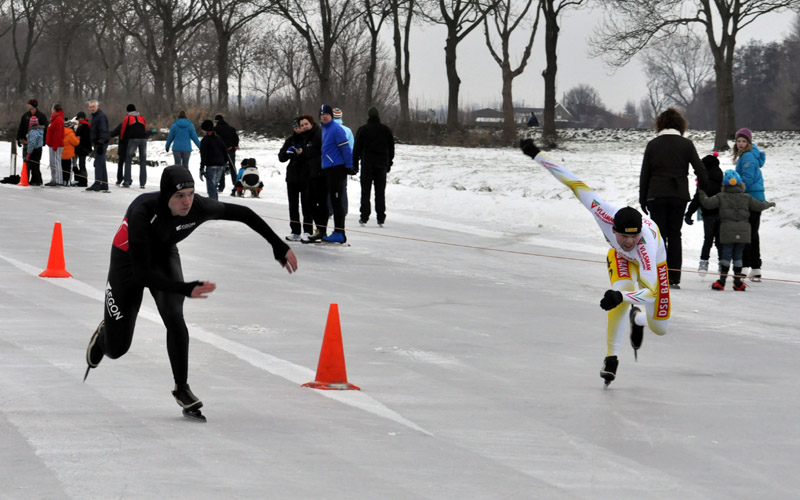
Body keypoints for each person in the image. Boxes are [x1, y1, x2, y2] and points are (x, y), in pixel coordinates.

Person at [83, 165, 298, 418]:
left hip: (163, 255)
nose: (186, 202)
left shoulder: (199, 207)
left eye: (190, 193)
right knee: (116, 349)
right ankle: (106, 332)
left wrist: (277, 245)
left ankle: (181, 387)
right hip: (128, 261)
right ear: (166, 197)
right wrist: (183, 288)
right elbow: (142, 274)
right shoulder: (143, 212)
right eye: (179, 196)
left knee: (174, 318)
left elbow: (245, 213)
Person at [521, 139, 671, 387]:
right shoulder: (601, 211)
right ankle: (611, 357)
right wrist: (536, 154)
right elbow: (572, 181)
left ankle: (638, 320)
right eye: (624, 236)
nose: (629, 242)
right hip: (619, 259)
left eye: (634, 236)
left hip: (654, 266)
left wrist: (623, 299)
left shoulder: (646, 245)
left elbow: (651, 290)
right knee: (619, 292)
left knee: (660, 327)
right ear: (613, 229)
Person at [639, 107, 708, 289]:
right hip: (678, 195)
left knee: (659, 236)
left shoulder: (653, 145)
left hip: (656, 194)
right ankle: (674, 277)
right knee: (675, 235)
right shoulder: (686, 144)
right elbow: (700, 169)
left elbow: (645, 174)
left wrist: (643, 198)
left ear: (660, 124)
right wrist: (706, 188)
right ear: (681, 125)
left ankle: (658, 275)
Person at [699, 169, 775, 291]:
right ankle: (738, 282)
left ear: (725, 185)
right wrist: (769, 204)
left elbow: (708, 204)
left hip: (727, 231)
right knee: (738, 255)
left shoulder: (721, 196)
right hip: (743, 232)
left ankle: (722, 282)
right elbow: (759, 206)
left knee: (726, 254)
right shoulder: (747, 197)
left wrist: (701, 193)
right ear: (740, 184)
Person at [732, 128, 767, 282]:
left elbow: (747, 179)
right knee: (753, 233)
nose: (740, 144)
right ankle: (756, 268)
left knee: (746, 233)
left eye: (743, 141)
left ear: (749, 142)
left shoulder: (747, 157)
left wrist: (733, 191)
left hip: (751, 198)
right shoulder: (749, 155)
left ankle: (745, 267)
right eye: (738, 141)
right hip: (755, 197)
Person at [353, 106, 395, 226]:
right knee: (380, 191)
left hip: (367, 164)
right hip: (381, 164)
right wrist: (389, 163)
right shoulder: (386, 130)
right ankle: (381, 217)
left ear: (369, 116)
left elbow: (357, 148)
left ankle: (364, 216)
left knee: (365, 191)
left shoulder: (363, 129)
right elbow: (391, 148)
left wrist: (355, 164)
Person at [317, 104, 353, 244]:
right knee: (333, 200)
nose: (324, 116)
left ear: (331, 115)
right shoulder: (325, 129)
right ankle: (337, 231)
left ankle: (339, 232)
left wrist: (349, 166)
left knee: (337, 202)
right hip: (329, 169)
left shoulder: (336, 129)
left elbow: (346, 148)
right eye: (322, 114)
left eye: (326, 114)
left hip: (337, 169)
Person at [684, 153, 723, 276]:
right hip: (722, 214)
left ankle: (703, 262)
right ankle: (723, 264)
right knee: (720, 241)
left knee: (708, 239)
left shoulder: (704, 180)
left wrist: (689, 213)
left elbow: (697, 198)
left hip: (708, 214)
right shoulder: (723, 179)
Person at [278, 117, 314, 241]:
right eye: (295, 127)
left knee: (306, 205)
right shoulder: (290, 140)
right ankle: (295, 230)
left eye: (299, 127)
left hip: (306, 176)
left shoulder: (308, 139)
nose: (298, 129)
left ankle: (308, 230)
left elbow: (311, 156)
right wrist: (287, 153)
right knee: (293, 205)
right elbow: (281, 157)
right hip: (292, 177)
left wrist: (302, 154)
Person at [297, 114, 327, 239]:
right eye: (302, 125)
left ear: (311, 123)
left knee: (320, 203)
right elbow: (308, 154)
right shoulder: (305, 137)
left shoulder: (318, 134)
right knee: (310, 202)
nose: (304, 127)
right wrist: (301, 153)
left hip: (319, 173)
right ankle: (319, 228)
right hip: (310, 173)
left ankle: (321, 229)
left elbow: (321, 152)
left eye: (306, 124)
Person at [198, 119, 228, 201]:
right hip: (220, 165)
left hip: (211, 165)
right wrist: (226, 163)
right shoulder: (219, 138)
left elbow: (203, 155)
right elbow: (225, 151)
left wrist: (201, 168)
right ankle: (215, 202)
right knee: (214, 187)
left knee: (211, 188)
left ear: (205, 129)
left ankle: (213, 205)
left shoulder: (205, 140)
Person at [121, 104, 149, 188]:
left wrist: (122, 139)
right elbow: (145, 129)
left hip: (133, 139)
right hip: (143, 139)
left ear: (128, 111)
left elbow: (123, 129)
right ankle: (142, 183)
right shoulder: (141, 117)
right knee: (143, 161)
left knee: (128, 159)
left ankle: (126, 181)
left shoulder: (127, 118)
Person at [332, 107, 354, 216]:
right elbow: (351, 148)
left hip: (329, 163)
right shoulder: (348, 130)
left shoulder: (326, 129)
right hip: (343, 163)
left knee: (329, 187)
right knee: (342, 187)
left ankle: (330, 210)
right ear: (341, 117)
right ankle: (343, 209)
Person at [86, 100, 111, 192]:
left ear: (97, 107)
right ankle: (104, 184)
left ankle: (98, 183)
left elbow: (103, 130)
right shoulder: (95, 116)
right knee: (101, 163)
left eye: (93, 106)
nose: (92, 108)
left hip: (101, 142)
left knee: (98, 163)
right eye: (90, 107)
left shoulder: (101, 116)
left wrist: (101, 142)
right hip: (98, 142)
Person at [16, 98, 49, 165]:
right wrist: (19, 138)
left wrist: (44, 141)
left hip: (37, 146)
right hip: (26, 143)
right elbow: (21, 128)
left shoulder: (42, 116)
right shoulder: (25, 116)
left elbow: (45, 129)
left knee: (35, 166)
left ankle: (36, 175)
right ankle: (26, 175)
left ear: (33, 105)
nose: (27, 105)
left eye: (28, 104)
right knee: (26, 164)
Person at [213, 114, 239, 195]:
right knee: (233, 168)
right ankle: (236, 185)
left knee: (221, 169)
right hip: (230, 150)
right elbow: (236, 139)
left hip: (220, 152)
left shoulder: (215, 130)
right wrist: (234, 147)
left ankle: (221, 187)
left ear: (217, 121)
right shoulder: (231, 129)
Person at [45, 104, 66, 186]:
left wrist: (55, 146)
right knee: (52, 162)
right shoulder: (54, 119)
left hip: (56, 145)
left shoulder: (58, 119)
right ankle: (53, 179)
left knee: (57, 162)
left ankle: (59, 180)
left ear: (54, 109)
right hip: (52, 144)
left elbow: (58, 134)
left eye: (52, 108)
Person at [25, 116, 46, 186]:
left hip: (34, 150)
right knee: (36, 165)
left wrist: (28, 153)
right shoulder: (40, 130)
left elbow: (32, 143)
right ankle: (35, 180)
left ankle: (37, 180)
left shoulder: (33, 131)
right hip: (39, 149)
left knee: (33, 166)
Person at [73, 111, 92, 187]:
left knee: (82, 165)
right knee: (81, 164)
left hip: (83, 148)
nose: (78, 120)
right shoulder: (83, 125)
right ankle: (80, 180)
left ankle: (83, 181)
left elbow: (84, 139)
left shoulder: (85, 126)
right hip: (82, 148)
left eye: (79, 119)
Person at [61, 119, 81, 186]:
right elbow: (76, 143)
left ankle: (63, 180)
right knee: (68, 169)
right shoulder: (71, 134)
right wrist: (78, 138)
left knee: (63, 168)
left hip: (62, 154)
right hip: (69, 155)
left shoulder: (61, 133)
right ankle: (67, 181)